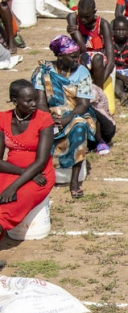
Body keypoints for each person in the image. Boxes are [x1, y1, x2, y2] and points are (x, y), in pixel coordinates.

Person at [31, 36, 98, 199]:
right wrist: (49, 119)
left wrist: (68, 118)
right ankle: (43, 172)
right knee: (39, 130)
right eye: (73, 57)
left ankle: (74, 181)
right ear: (60, 56)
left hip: (74, 113)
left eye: (78, 56)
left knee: (80, 127)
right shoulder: (44, 71)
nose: (77, 60)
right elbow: (40, 101)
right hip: (48, 114)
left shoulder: (82, 72)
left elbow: (83, 103)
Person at [0, 80, 55, 238]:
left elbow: (41, 161)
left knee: (9, 207)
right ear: (15, 101)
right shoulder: (2, 119)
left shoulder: (44, 119)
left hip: (40, 175)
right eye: (29, 100)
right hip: (12, 170)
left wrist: (14, 186)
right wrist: (21, 173)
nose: (34, 104)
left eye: (35, 99)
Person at [67, 0, 114, 89]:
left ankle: (97, 92)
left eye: (87, 17)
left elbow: (111, 61)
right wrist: (74, 33)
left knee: (97, 58)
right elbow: (83, 50)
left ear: (94, 12)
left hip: (99, 61)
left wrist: (97, 87)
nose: (83, 20)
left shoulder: (103, 24)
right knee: (72, 58)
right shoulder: (74, 18)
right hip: (81, 56)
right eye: (81, 16)